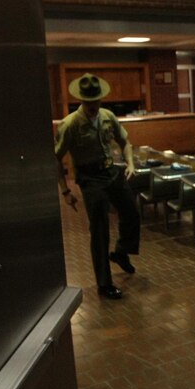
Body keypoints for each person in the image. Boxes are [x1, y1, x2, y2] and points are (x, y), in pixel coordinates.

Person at [55, 73, 141, 300]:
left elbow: (125, 142)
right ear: (81, 100)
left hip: (111, 171)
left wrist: (130, 162)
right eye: (88, 102)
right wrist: (65, 191)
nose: (93, 106)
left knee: (132, 212)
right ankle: (104, 284)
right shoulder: (70, 124)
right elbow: (56, 158)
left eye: (96, 101)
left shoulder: (107, 116)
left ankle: (121, 252)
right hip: (90, 178)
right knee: (100, 229)